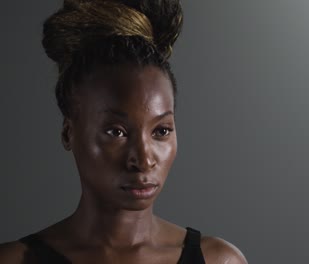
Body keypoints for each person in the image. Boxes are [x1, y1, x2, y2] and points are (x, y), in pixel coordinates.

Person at [0, 0, 248, 263]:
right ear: (68, 133)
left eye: (161, 131)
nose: (143, 160)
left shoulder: (219, 260)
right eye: (116, 132)